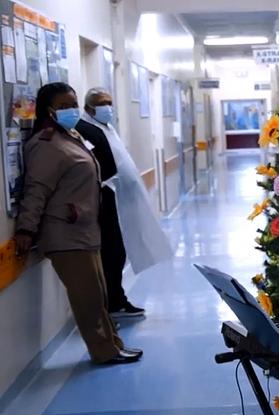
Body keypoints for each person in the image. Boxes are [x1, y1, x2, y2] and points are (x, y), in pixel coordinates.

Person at [14, 82, 142, 364]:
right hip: (65, 234)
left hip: (85, 229)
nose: (71, 109)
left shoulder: (70, 136)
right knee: (87, 299)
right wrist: (26, 229)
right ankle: (103, 351)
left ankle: (113, 345)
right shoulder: (46, 144)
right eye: (64, 106)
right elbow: (36, 189)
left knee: (98, 295)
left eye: (73, 104)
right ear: (48, 109)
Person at [77, 87, 173, 317]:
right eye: (102, 103)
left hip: (122, 201)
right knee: (112, 253)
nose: (108, 107)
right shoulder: (85, 130)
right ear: (89, 107)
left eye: (109, 102)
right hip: (106, 201)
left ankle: (117, 299)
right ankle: (113, 303)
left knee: (118, 252)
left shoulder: (106, 128)